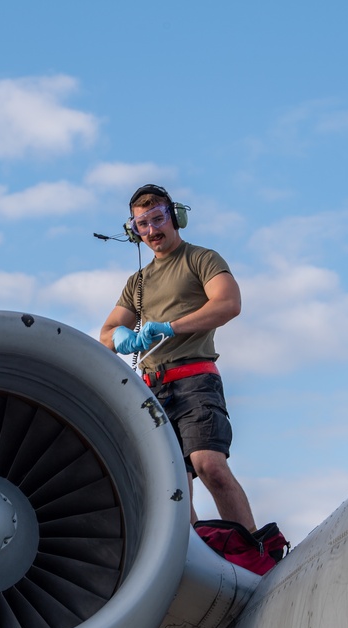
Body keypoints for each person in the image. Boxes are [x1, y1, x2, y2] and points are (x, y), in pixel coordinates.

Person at [99, 184, 256, 531]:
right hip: (152, 393)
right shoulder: (136, 282)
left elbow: (229, 304)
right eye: (143, 224)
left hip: (195, 379)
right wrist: (121, 337)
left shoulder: (202, 258)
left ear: (176, 217)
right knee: (174, 495)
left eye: (158, 219)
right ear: (133, 231)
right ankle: (208, 566)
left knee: (209, 465)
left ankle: (253, 554)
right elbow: (107, 333)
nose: (152, 230)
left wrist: (171, 327)